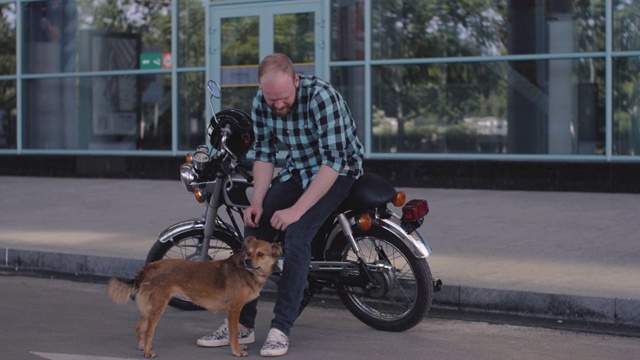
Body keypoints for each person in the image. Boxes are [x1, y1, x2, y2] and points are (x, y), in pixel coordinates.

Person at [197, 53, 364, 356]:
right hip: (298, 170)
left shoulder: (321, 98)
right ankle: (243, 326)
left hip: (338, 171)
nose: (277, 105)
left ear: (296, 81)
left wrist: (296, 210)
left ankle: (280, 328)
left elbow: (334, 162)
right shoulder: (263, 99)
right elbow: (264, 153)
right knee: (254, 229)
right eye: (272, 99)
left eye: (283, 98)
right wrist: (258, 201)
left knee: (297, 235)